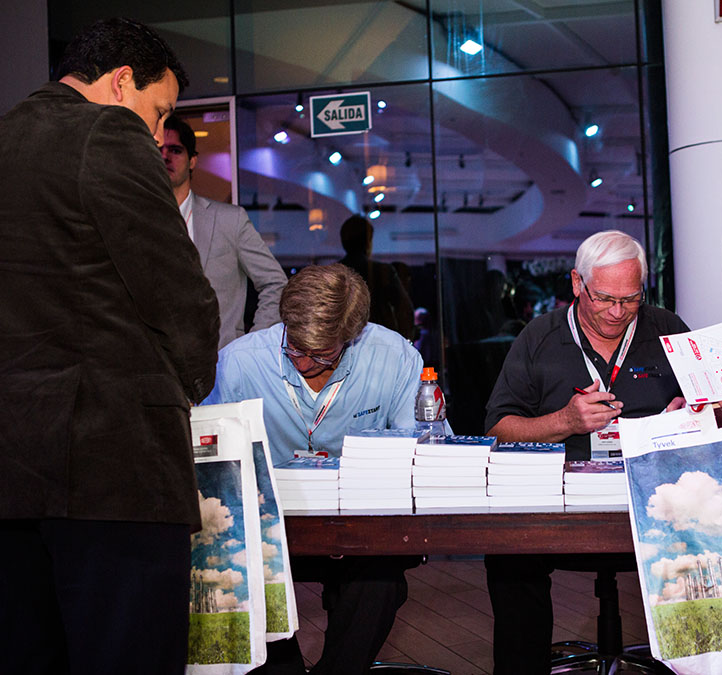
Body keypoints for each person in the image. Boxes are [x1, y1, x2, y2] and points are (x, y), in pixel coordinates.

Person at [0, 18, 220, 675]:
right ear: (121, 81)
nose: (158, 135)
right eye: (158, 112)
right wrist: (189, 384)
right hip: (115, 472)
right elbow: (179, 295)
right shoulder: (107, 131)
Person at [483, 230, 688, 675]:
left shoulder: (667, 329)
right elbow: (498, 431)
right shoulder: (539, 337)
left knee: (713, 532)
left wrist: (689, 417)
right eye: (605, 299)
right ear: (577, 283)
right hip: (560, 506)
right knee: (508, 557)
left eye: (631, 299)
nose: (617, 313)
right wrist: (565, 422)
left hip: (650, 503)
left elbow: (714, 410)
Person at [204, 263, 423, 675]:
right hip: (270, 533)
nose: (304, 364)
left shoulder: (394, 358)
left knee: (381, 579)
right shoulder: (238, 365)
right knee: (236, 575)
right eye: (295, 349)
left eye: (322, 354)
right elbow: (210, 469)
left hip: (359, 529)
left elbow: (421, 451)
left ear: (352, 336)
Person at [162, 115, 287, 349]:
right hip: (157, 370)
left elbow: (275, 283)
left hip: (221, 363)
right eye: (158, 149)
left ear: (192, 161)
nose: (165, 156)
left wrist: (251, 345)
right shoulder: (137, 221)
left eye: (175, 150)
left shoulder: (229, 220)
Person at [339, 214, 415, 340]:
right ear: (368, 242)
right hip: (380, 341)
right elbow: (405, 310)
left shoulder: (332, 274)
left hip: (343, 343)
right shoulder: (383, 271)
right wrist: (403, 341)